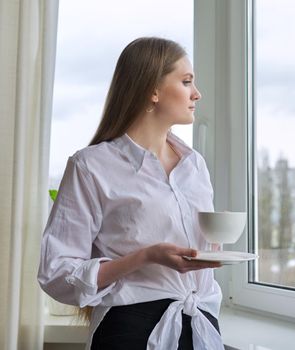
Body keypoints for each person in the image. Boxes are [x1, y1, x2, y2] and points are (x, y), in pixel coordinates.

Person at [38, 37, 225, 350]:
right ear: (152, 90)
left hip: (200, 324)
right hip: (130, 330)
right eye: (186, 81)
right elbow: (56, 273)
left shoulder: (195, 166)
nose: (197, 94)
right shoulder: (91, 166)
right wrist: (146, 256)